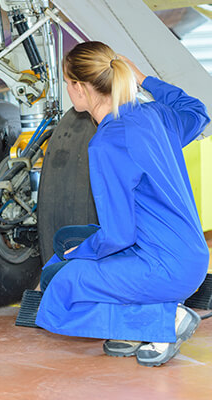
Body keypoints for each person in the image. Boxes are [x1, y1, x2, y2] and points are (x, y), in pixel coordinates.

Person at [36, 41, 210, 367]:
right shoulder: (155, 114)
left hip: (165, 267)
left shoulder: (107, 143)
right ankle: (140, 318)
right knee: (65, 240)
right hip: (189, 254)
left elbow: (118, 236)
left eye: (67, 82)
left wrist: (81, 254)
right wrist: (144, 79)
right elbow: (198, 112)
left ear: (80, 89)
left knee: (58, 282)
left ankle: (162, 320)